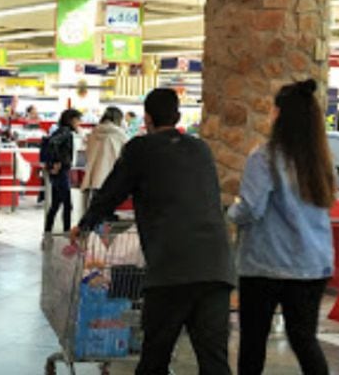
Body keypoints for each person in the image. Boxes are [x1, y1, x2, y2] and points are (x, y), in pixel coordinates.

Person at [73, 88, 234, 375]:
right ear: (178, 116)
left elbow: (110, 193)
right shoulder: (201, 148)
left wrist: (84, 226)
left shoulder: (140, 149)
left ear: (146, 118)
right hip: (216, 267)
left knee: (154, 358)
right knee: (214, 362)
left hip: (171, 268)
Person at [228, 79, 334, 375]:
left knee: (253, 342)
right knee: (304, 339)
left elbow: (250, 208)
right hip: (312, 264)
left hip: (266, 265)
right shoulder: (321, 160)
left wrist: (230, 212)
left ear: (280, 115)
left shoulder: (264, 157)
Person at [43, 109, 81, 233]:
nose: (79, 123)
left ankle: (48, 230)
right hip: (61, 172)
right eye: (77, 119)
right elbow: (53, 144)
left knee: (55, 204)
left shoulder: (60, 131)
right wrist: (58, 162)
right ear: (71, 120)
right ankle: (66, 230)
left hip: (58, 172)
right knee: (67, 204)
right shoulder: (66, 132)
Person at [79, 107, 127, 205]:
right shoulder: (120, 134)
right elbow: (126, 154)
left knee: (97, 203)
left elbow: (88, 152)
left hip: (95, 175)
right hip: (113, 174)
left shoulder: (94, 132)